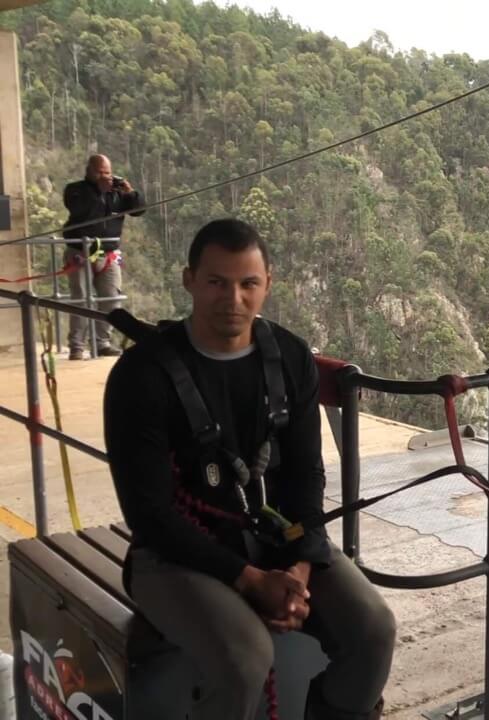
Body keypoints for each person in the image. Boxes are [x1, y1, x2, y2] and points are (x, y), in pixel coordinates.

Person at [103, 219, 395, 720]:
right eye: (217, 282)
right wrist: (248, 579)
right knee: (245, 658)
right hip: (174, 554)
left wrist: (300, 569)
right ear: (188, 280)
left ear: (267, 285)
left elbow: (305, 475)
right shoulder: (142, 375)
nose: (233, 298)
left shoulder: (290, 357)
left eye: (248, 284)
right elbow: (149, 513)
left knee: (372, 630)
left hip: (276, 536)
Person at [62, 154, 145, 359]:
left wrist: (131, 193)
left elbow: (139, 211)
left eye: (107, 172)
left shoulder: (116, 193)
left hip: (108, 253)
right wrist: (99, 191)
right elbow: (82, 212)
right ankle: (77, 346)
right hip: (80, 252)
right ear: (89, 171)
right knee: (81, 299)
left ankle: (102, 342)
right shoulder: (75, 190)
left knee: (111, 299)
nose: (105, 176)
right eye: (100, 172)